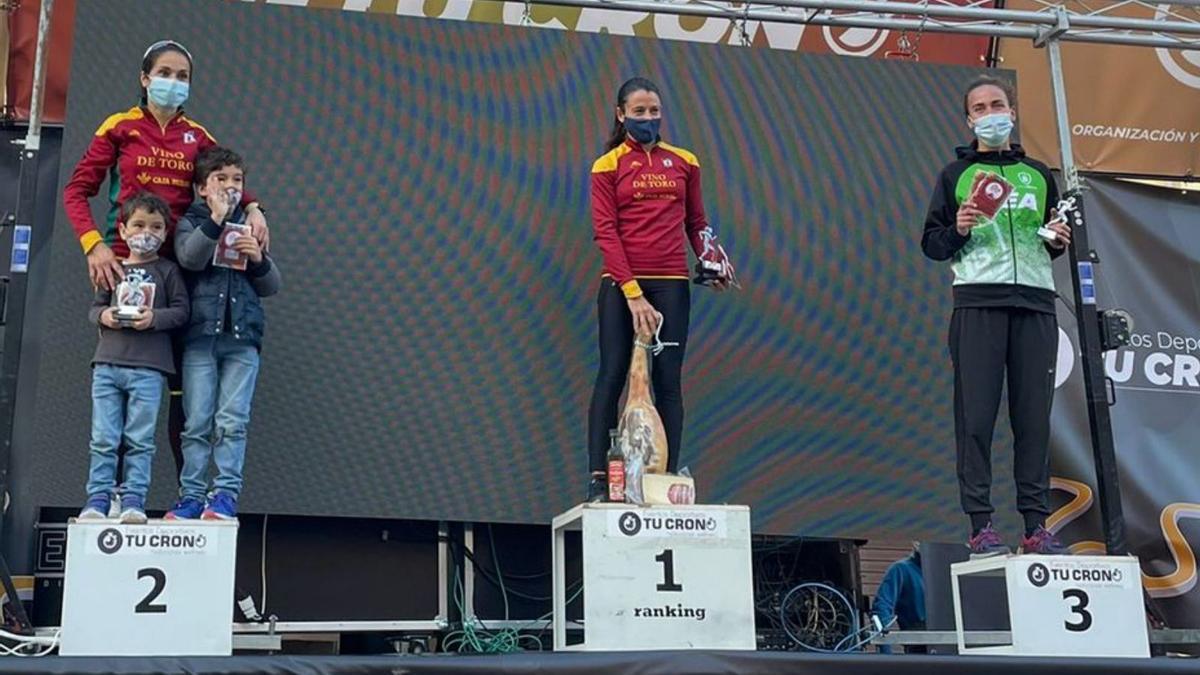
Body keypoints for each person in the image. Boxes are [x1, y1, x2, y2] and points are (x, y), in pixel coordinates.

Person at [61, 39, 271, 497]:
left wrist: (256, 210)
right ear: (144, 78)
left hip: (184, 273)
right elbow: (76, 192)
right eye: (165, 73)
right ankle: (110, 496)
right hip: (126, 268)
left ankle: (188, 497)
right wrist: (95, 246)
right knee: (120, 382)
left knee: (183, 391)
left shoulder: (197, 136)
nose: (173, 83)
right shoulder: (120, 127)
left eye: (182, 77)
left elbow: (225, 173)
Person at [921, 76, 1072, 556]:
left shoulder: (1038, 174)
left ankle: (1035, 527)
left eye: (998, 104)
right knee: (976, 418)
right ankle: (981, 525)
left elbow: (1049, 242)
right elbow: (932, 243)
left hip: (1035, 303)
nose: (991, 113)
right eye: (980, 108)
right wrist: (960, 228)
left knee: (1033, 420)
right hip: (977, 303)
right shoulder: (954, 175)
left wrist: (1057, 240)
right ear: (969, 120)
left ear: (1012, 111)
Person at [586, 77, 735, 501]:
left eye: (654, 111)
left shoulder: (684, 161)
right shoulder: (607, 165)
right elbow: (606, 233)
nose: (648, 119)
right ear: (621, 115)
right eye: (639, 112)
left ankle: (663, 481)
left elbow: (696, 222)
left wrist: (713, 258)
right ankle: (600, 480)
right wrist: (632, 294)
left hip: (671, 283)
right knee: (612, 376)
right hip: (621, 285)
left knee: (668, 381)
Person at [166, 147, 281, 521]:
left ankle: (225, 495)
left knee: (232, 420)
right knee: (196, 420)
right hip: (200, 338)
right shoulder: (190, 221)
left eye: (237, 181)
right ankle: (191, 496)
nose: (230, 187)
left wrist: (258, 258)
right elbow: (189, 258)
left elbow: (271, 286)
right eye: (221, 180)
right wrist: (215, 221)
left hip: (242, 340)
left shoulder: (252, 227)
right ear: (202, 187)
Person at [78, 193, 189, 523]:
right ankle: (98, 499)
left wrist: (152, 318)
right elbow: (95, 308)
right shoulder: (112, 267)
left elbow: (182, 311)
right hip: (107, 364)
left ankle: (133, 501)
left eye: (156, 227)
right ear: (123, 230)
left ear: (165, 233)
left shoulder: (168, 271)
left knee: (140, 439)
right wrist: (106, 316)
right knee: (103, 437)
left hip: (150, 369)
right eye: (139, 225)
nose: (147, 232)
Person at [871, 543, 926, 654]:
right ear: (915, 543)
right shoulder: (901, 570)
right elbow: (882, 607)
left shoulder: (948, 568)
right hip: (918, 649)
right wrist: (886, 653)